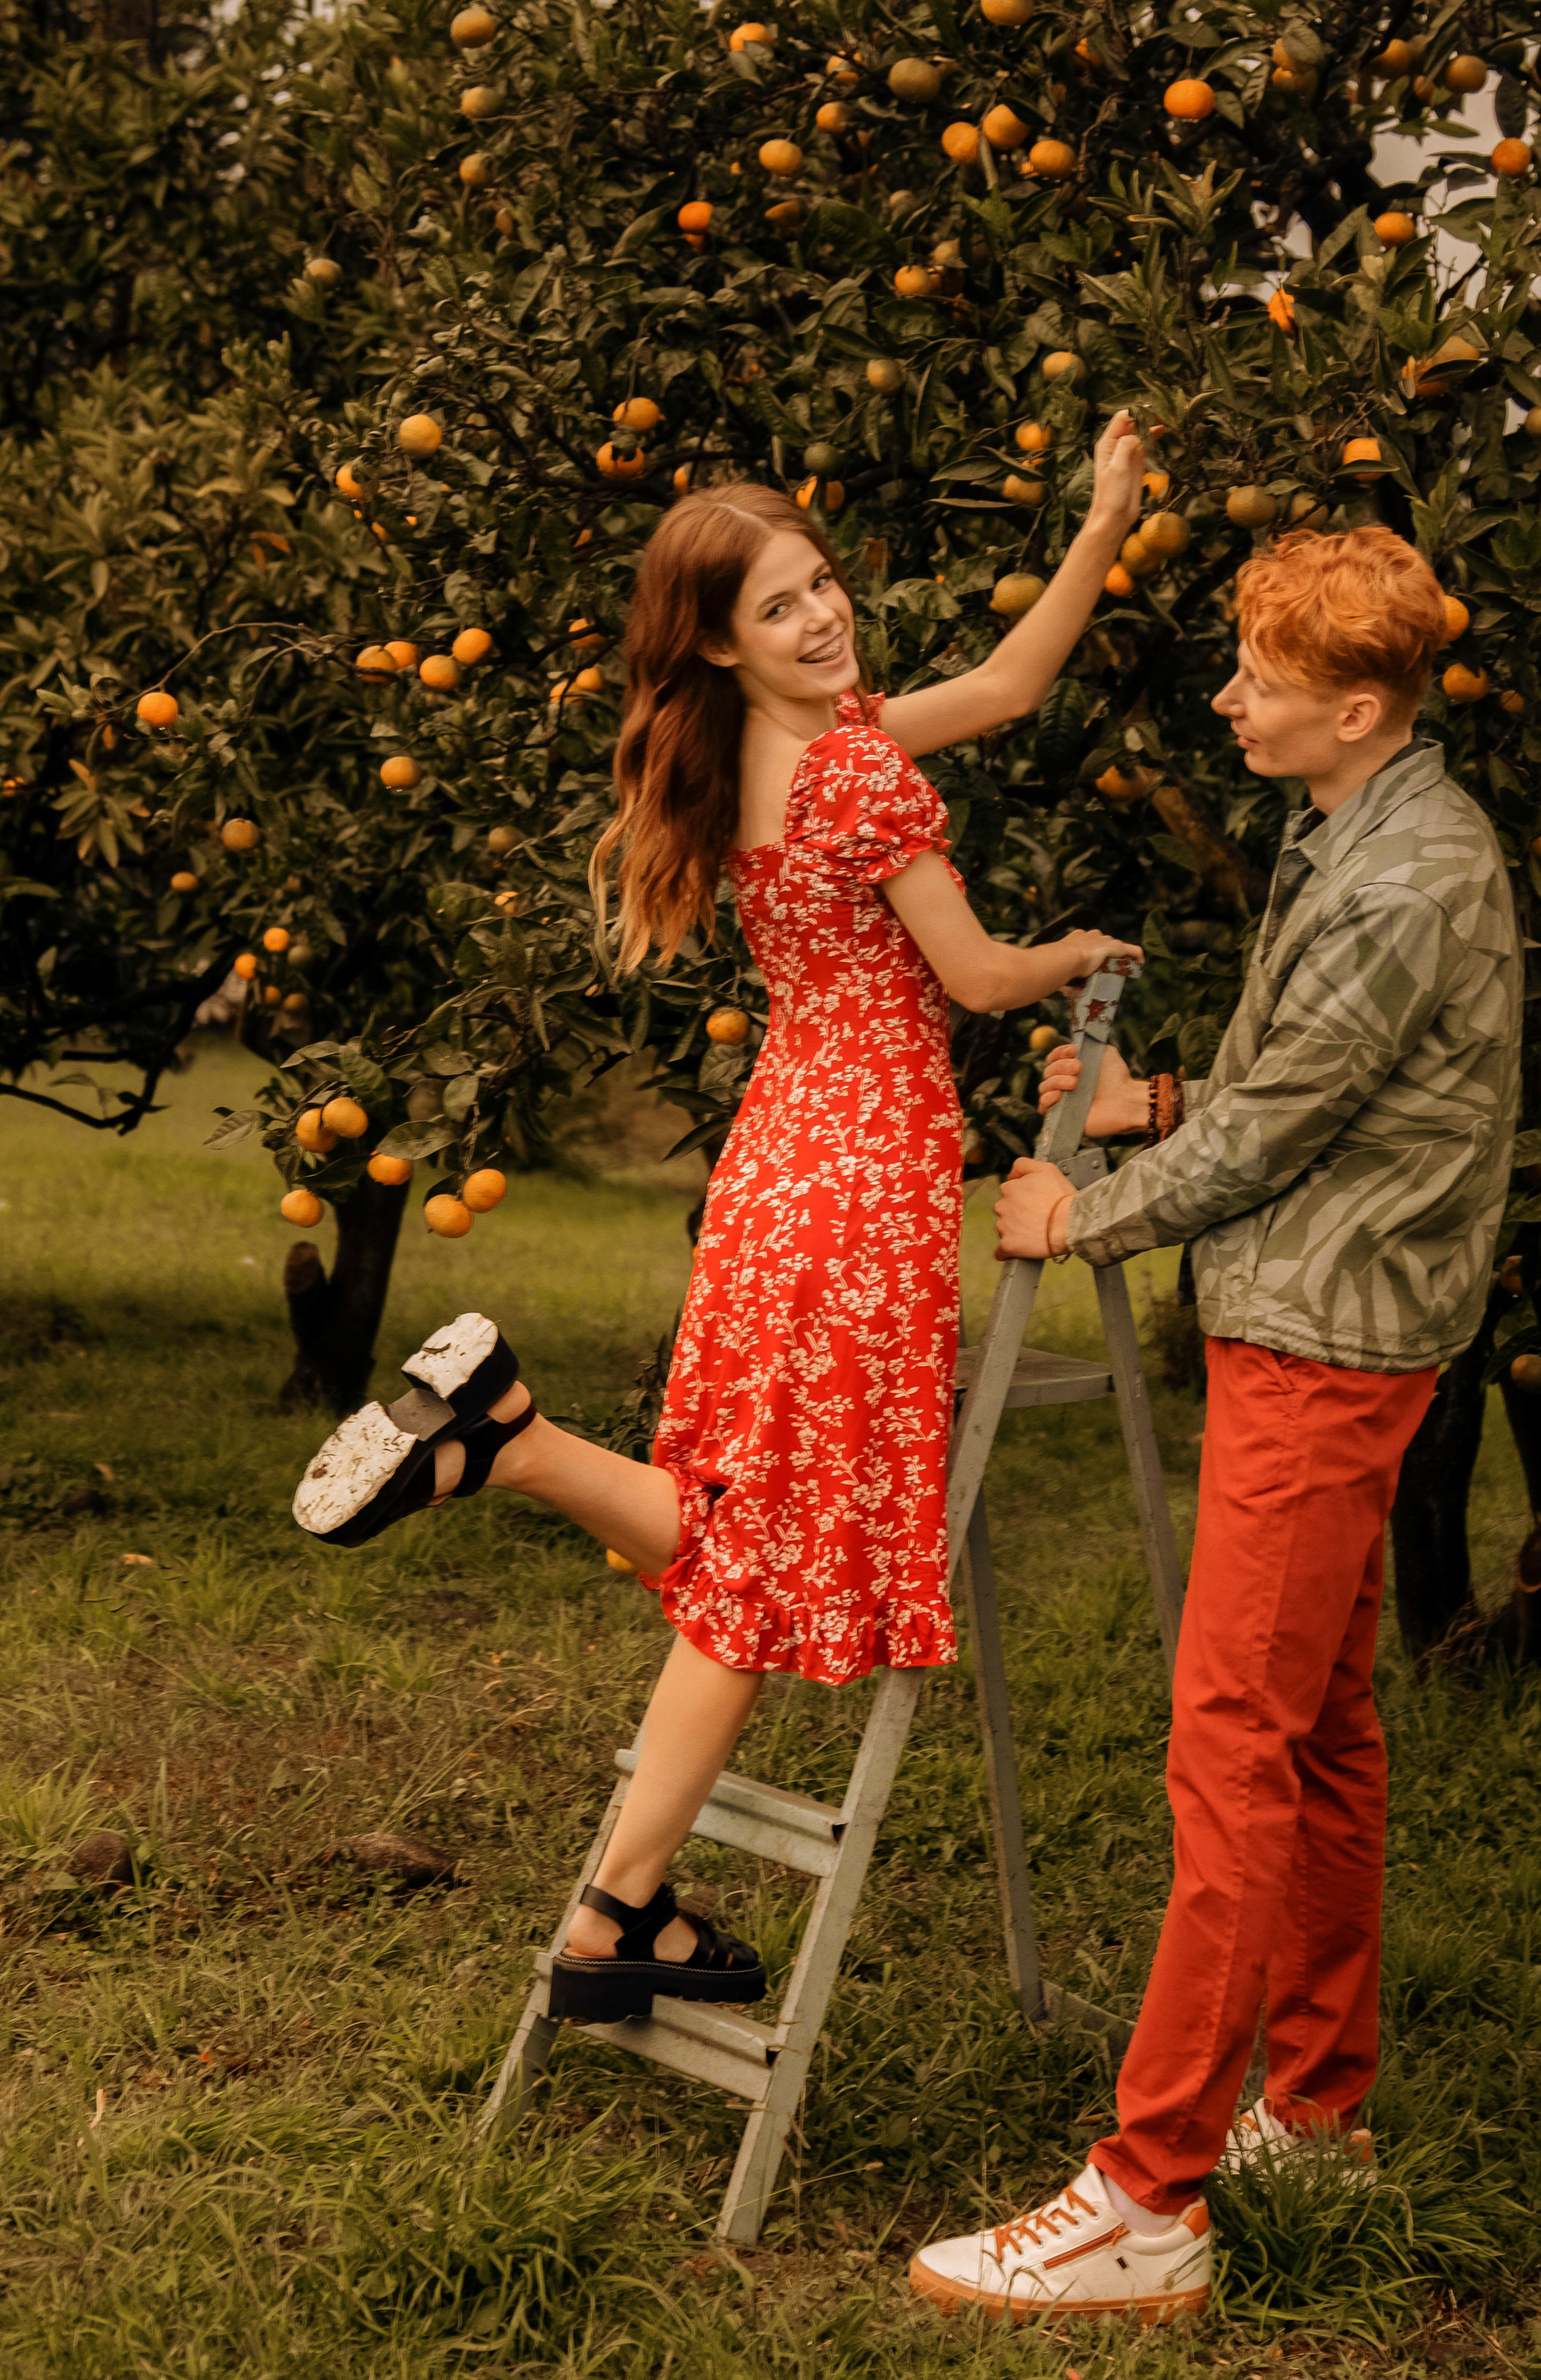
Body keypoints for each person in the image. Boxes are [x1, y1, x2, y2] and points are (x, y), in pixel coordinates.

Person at [290, 419, 1145, 2025]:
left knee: (746, 1532)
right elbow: (968, 978)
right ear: (712, 637)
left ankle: (511, 1482)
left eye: (820, 582)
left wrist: (1100, 520)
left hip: (775, 1170)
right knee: (770, 1553)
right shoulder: (858, 767)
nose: (822, 616)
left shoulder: (781, 748)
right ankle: (519, 1472)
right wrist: (1070, 958)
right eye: (778, 606)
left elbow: (1012, 684)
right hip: (864, 1179)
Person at [909, 520, 1522, 2325]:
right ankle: (1313, 2112)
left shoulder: (1412, 871)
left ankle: (1143, 2197)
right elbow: (1303, 1074)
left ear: (1354, 704)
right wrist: (1153, 1098)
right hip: (1325, 1310)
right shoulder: (1341, 821)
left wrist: (1079, 1211)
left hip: (1328, 1336)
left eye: (1256, 676)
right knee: (1319, 1725)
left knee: (1231, 1739)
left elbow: (1277, 1139)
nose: (1224, 694)